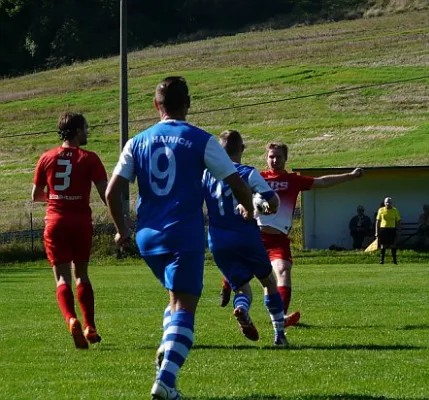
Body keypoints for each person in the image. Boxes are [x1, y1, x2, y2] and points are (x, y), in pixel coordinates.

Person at [105, 77, 254, 400]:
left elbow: (112, 191)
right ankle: (166, 379)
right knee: (186, 306)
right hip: (182, 235)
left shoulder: (136, 142)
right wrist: (249, 210)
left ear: (156, 105)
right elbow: (236, 182)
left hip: (147, 237)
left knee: (174, 300)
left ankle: (166, 349)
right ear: (188, 103)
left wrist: (122, 228)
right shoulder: (201, 140)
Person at [221, 141, 363, 327]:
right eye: (271, 156)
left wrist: (350, 176)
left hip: (278, 239)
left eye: (278, 157)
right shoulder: (257, 176)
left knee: (283, 271)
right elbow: (235, 189)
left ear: (285, 159)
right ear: (266, 158)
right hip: (255, 234)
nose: (274, 160)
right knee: (241, 271)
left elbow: (322, 182)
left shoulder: (293, 180)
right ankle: (226, 283)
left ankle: (281, 316)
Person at [203, 130, 288, 346]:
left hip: (217, 240)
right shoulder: (248, 173)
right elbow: (273, 201)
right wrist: (263, 207)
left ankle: (241, 308)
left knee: (242, 288)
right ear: (242, 149)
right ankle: (279, 335)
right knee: (268, 282)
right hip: (245, 236)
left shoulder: (206, 175)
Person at [32, 112, 107, 350]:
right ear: (76, 131)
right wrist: (121, 219)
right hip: (80, 222)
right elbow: (106, 193)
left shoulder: (46, 157)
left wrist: (57, 197)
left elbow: (36, 196)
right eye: (85, 128)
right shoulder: (89, 158)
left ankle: (71, 319)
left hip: (55, 221)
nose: (87, 132)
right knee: (81, 275)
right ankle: (89, 326)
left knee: (62, 278)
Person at [375, 197, 401, 264]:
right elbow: (378, 221)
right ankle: (381, 260)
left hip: (392, 229)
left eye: (390, 202)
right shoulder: (381, 210)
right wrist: (377, 232)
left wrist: (398, 230)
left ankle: (394, 261)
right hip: (383, 229)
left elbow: (398, 221)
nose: (388, 204)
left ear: (392, 203)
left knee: (393, 245)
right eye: (387, 202)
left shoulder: (395, 210)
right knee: (383, 245)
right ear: (384, 203)